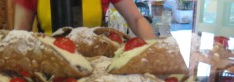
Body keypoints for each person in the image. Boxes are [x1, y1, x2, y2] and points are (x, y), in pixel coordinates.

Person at [14, 0, 156, 39]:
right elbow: (19, 35)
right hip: (50, 65)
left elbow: (137, 19)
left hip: (94, 64)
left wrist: (155, 49)